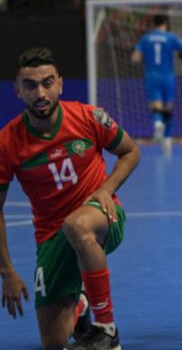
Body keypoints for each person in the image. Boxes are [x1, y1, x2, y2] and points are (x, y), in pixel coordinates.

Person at [0, 47, 141, 350]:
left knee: (77, 225)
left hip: (102, 217)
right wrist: (7, 271)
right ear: (17, 90)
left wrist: (106, 189)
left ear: (60, 84)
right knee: (53, 343)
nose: (40, 92)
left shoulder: (89, 117)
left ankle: (106, 329)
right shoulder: (7, 142)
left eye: (48, 82)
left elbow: (130, 151)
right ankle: (82, 301)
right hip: (50, 235)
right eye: (30, 85)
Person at [131, 14, 182, 155]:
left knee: (155, 107)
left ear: (153, 24)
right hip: (168, 76)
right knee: (168, 108)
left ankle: (157, 123)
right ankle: (167, 140)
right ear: (165, 23)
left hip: (152, 76)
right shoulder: (171, 37)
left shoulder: (146, 38)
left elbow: (135, 58)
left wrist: (145, 57)